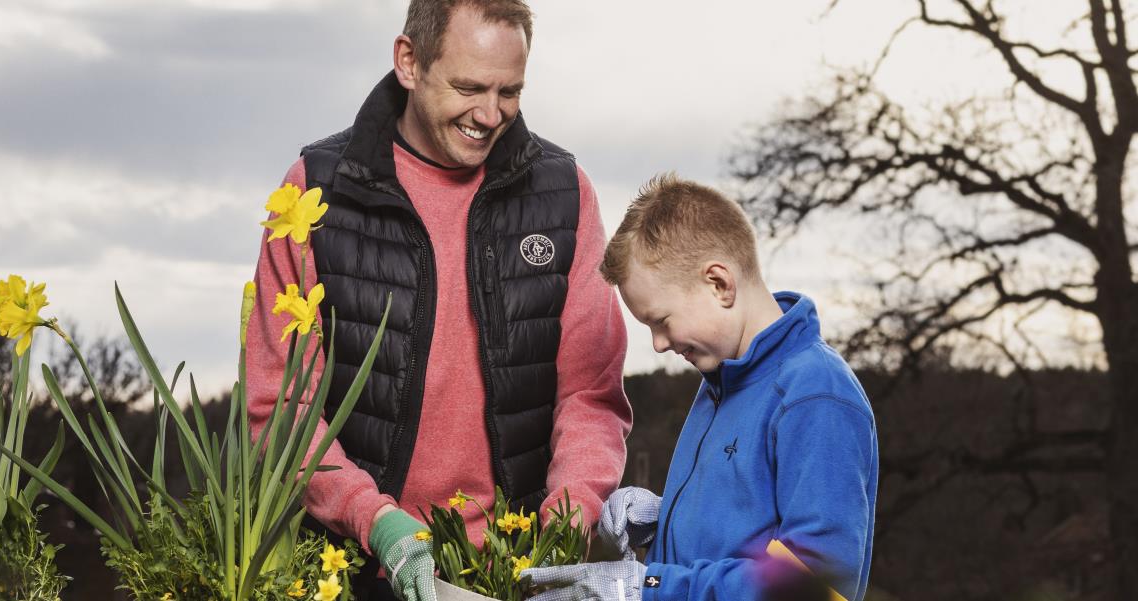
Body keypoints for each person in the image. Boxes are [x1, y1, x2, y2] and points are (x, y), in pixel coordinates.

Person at [245, 1, 632, 599]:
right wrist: (374, 521)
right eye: (468, 87)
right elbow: (279, 405)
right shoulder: (315, 191)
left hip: (516, 570)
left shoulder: (563, 193)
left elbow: (590, 392)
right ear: (408, 61)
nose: (489, 114)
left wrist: (569, 519)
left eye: (510, 91)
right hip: (353, 569)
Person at [522, 174, 878, 601]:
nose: (658, 344)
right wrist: (668, 515)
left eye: (662, 321)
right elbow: (747, 529)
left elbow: (815, 585)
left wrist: (649, 588)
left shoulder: (816, 396)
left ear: (719, 284)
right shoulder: (719, 382)